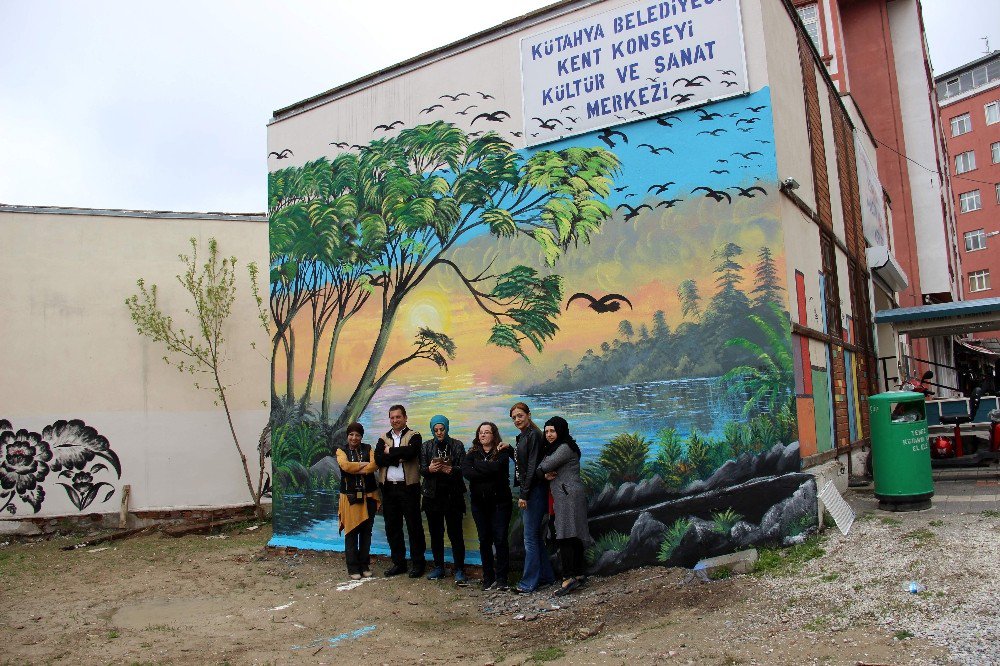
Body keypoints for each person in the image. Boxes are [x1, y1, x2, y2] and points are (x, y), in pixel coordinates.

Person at [538, 416, 592, 596]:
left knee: (565, 535)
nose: (549, 435)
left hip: (566, 495)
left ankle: (568, 578)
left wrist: (541, 472)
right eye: (546, 432)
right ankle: (578, 573)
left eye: (552, 431)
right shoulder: (561, 446)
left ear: (560, 430)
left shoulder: (564, 448)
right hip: (566, 494)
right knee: (573, 534)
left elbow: (545, 465)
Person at [374, 404, 427, 578]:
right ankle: (399, 563)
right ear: (389, 419)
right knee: (392, 527)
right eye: (392, 417)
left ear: (405, 418)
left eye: (398, 417)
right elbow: (379, 459)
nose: (395, 420)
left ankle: (418, 564)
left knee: (414, 527)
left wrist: (391, 452)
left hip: (409, 488)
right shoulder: (383, 438)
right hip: (388, 489)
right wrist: (397, 457)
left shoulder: (414, 435)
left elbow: (412, 452)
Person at [462, 421, 514, 590]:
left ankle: (502, 578)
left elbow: (498, 469)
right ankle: (488, 576)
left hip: (500, 503)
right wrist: (487, 469)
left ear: (493, 435)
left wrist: (479, 467)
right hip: (479, 504)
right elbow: (467, 472)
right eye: (480, 432)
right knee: (484, 540)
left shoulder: (502, 451)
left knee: (500, 540)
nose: (483, 435)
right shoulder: (471, 453)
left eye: (486, 432)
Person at [510, 401, 555, 594]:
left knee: (529, 539)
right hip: (532, 489)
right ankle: (546, 576)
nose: (517, 420)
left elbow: (532, 468)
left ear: (529, 415)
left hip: (534, 492)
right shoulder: (523, 436)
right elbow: (523, 463)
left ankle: (528, 582)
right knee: (536, 537)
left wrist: (524, 495)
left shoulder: (534, 435)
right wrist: (509, 451)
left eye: (520, 416)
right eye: (514, 418)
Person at [420, 414, 468, 585]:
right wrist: (431, 469)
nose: (439, 432)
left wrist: (451, 470)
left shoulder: (457, 445)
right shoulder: (426, 446)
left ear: (447, 428)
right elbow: (421, 469)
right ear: (432, 430)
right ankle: (439, 566)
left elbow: (464, 469)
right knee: (435, 534)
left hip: (452, 496)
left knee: (455, 534)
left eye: (442, 429)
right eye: (436, 430)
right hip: (432, 496)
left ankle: (460, 569)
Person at [336, 422, 380, 580]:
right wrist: (362, 466)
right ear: (347, 436)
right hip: (350, 497)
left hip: (369, 496)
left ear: (362, 436)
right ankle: (353, 567)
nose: (354, 438)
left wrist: (359, 467)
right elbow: (345, 466)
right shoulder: (341, 450)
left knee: (366, 533)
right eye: (351, 434)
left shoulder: (368, 448)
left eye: (357, 435)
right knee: (352, 532)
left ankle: (364, 565)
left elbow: (374, 465)